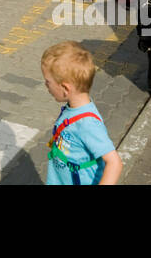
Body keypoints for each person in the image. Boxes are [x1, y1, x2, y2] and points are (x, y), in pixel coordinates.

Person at [41, 41, 122, 185]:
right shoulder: (72, 108)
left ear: (65, 88)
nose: (46, 85)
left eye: (48, 82)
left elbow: (114, 163)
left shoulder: (87, 124)